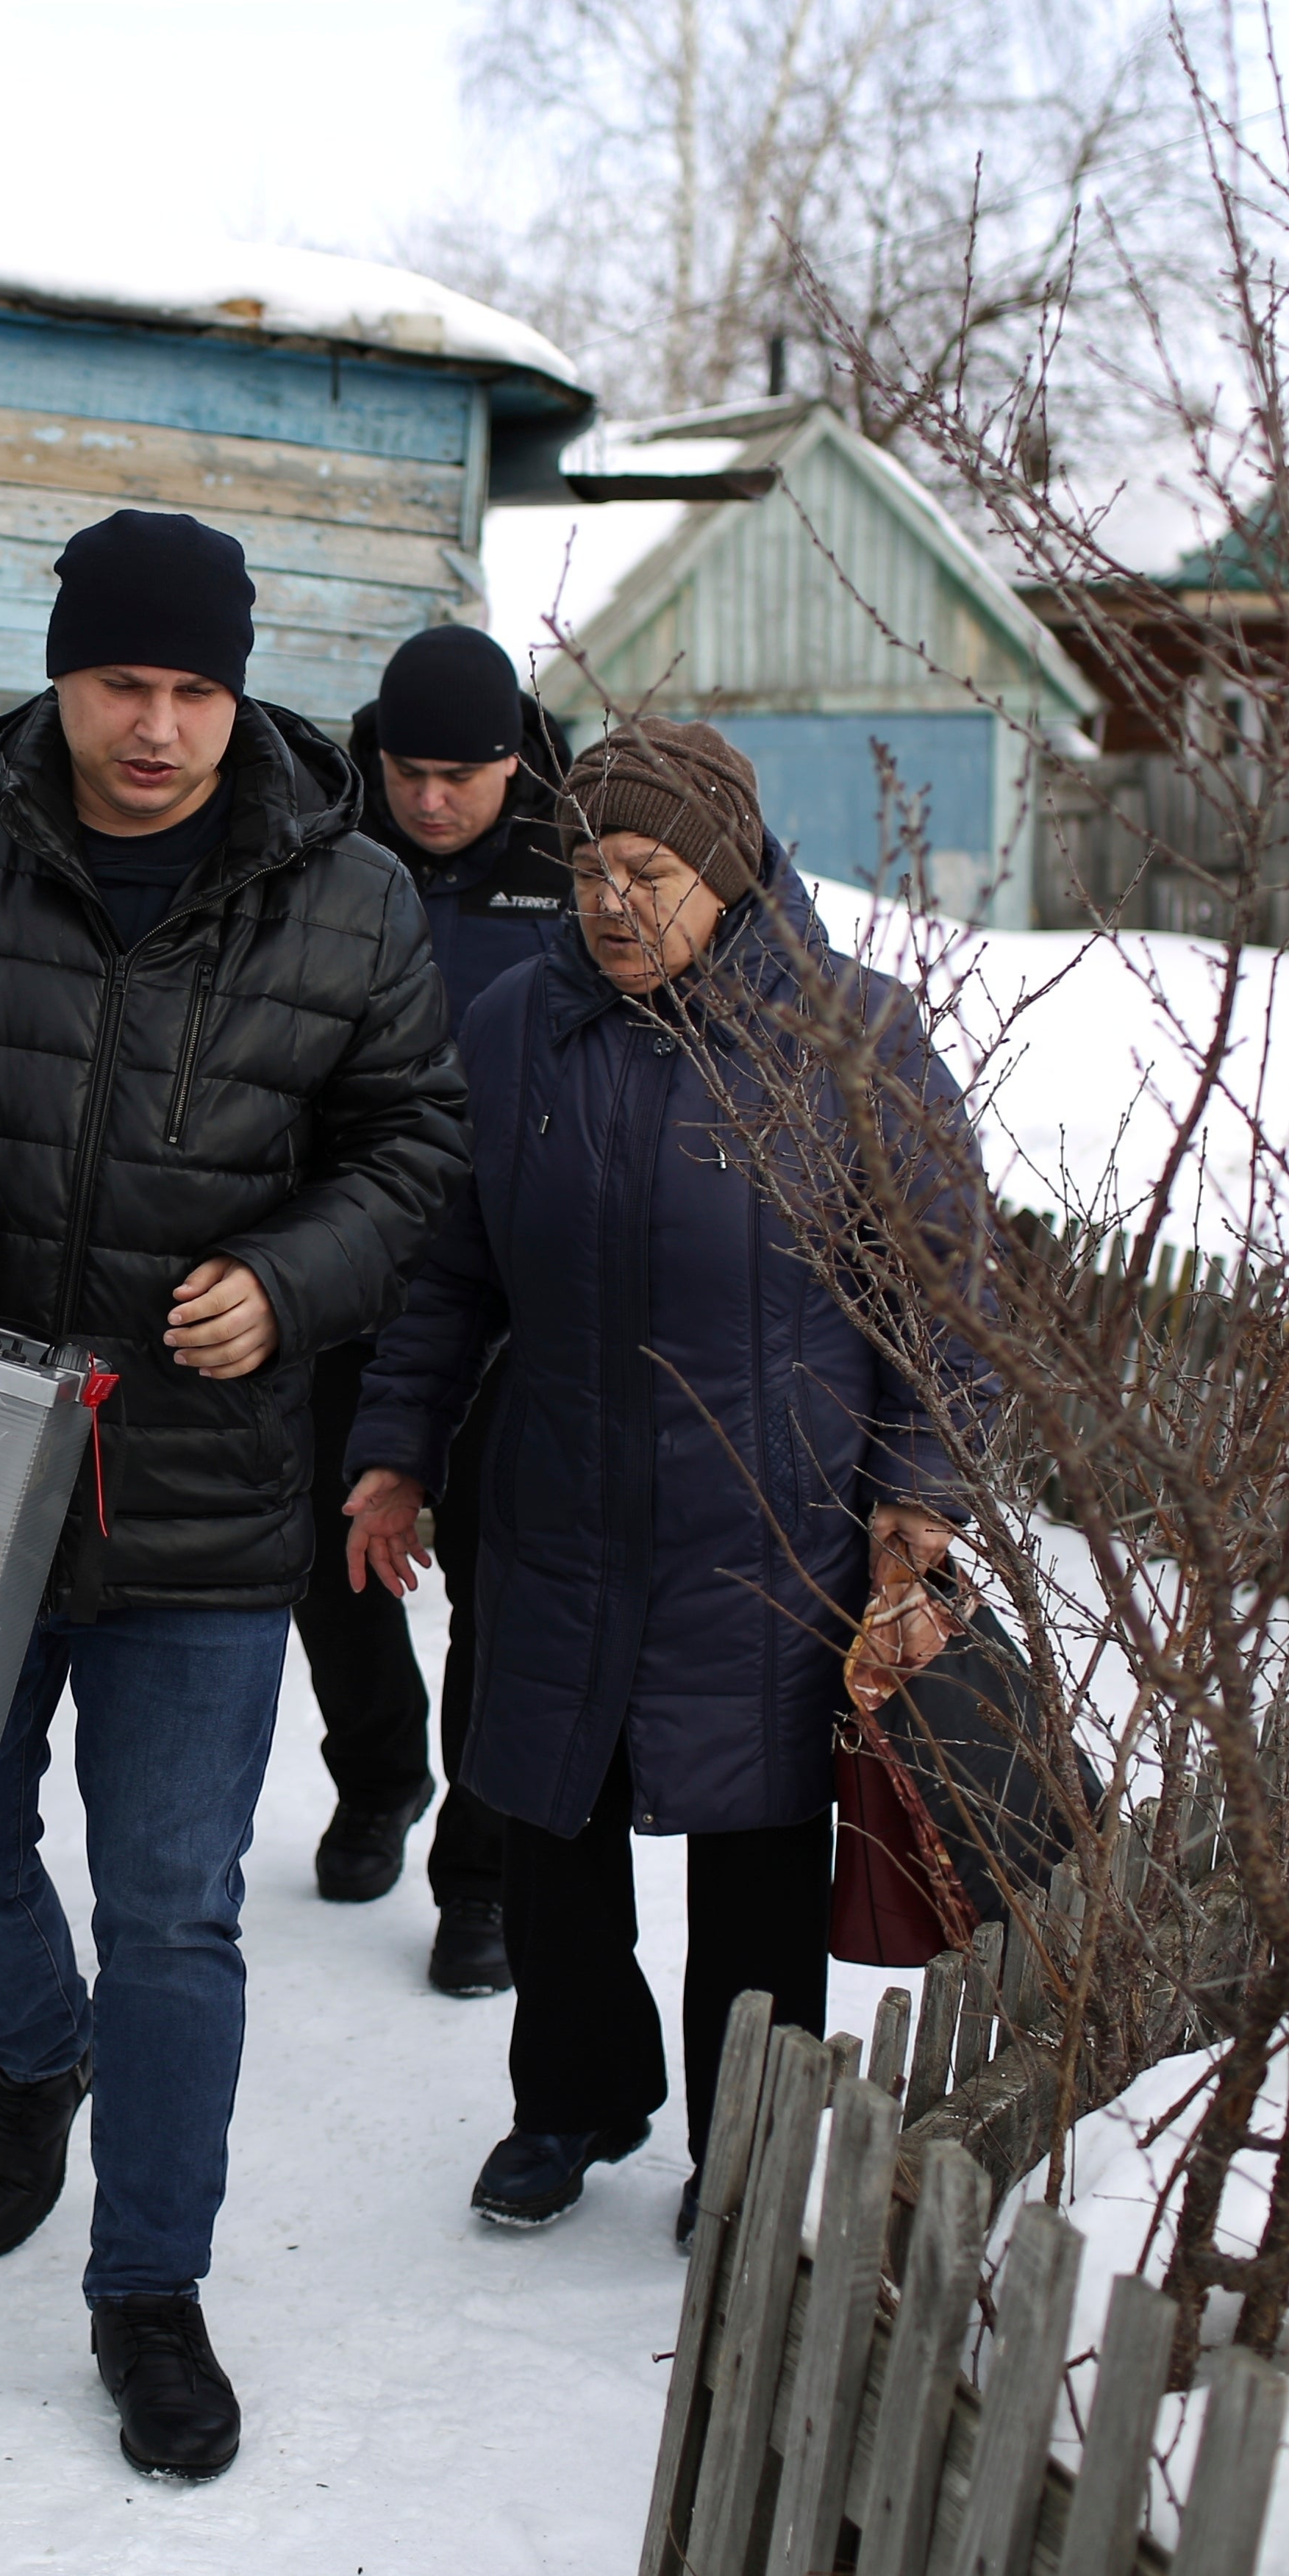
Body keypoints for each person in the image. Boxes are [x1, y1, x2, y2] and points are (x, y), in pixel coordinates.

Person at [0, 509, 468, 2479]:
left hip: (206, 1499)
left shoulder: (347, 900)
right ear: (58, 671)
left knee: (177, 1918)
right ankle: (34, 2046)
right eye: (120, 684)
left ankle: (148, 2290)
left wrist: (297, 1278)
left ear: (240, 694)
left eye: (194, 691)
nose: (156, 729)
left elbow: (414, 1151)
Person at [340, 718, 996, 2239]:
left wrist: (919, 1495)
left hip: (769, 1520)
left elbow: (942, 1291)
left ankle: (748, 2146)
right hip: (559, 1499)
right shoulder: (514, 1028)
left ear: (731, 873)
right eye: (587, 867)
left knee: (757, 1857)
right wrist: (396, 1453)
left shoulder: (854, 1038)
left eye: (648, 869)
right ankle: (572, 2100)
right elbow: (449, 1273)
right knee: (549, 1820)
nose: (612, 900)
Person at [291, 624, 574, 2000]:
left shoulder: (578, 862)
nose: (434, 802)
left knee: (496, 1586)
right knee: (322, 1547)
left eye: (464, 777)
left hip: (511, 1289)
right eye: (411, 772)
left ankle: (481, 1878)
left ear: (516, 762)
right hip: (342, 1256)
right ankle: (379, 1774)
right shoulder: (318, 832)